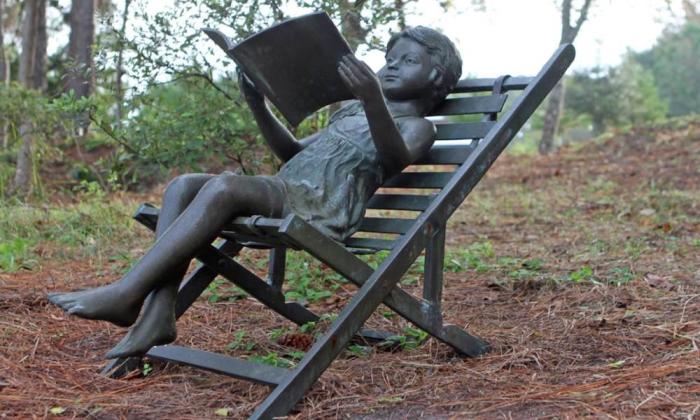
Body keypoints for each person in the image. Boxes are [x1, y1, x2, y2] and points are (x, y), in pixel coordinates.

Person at [48, 26, 463, 359]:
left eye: (407, 60)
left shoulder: (419, 127)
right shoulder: (350, 111)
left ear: (434, 76)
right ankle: (157, 311)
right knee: (183, 184)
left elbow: (393, 158)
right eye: (389, 58)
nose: (391, 66)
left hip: (320, 206)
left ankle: (127, 293)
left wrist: (372, 97)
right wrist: (257, 104)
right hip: (290, 188)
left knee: (226, 185)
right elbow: (291, 153)